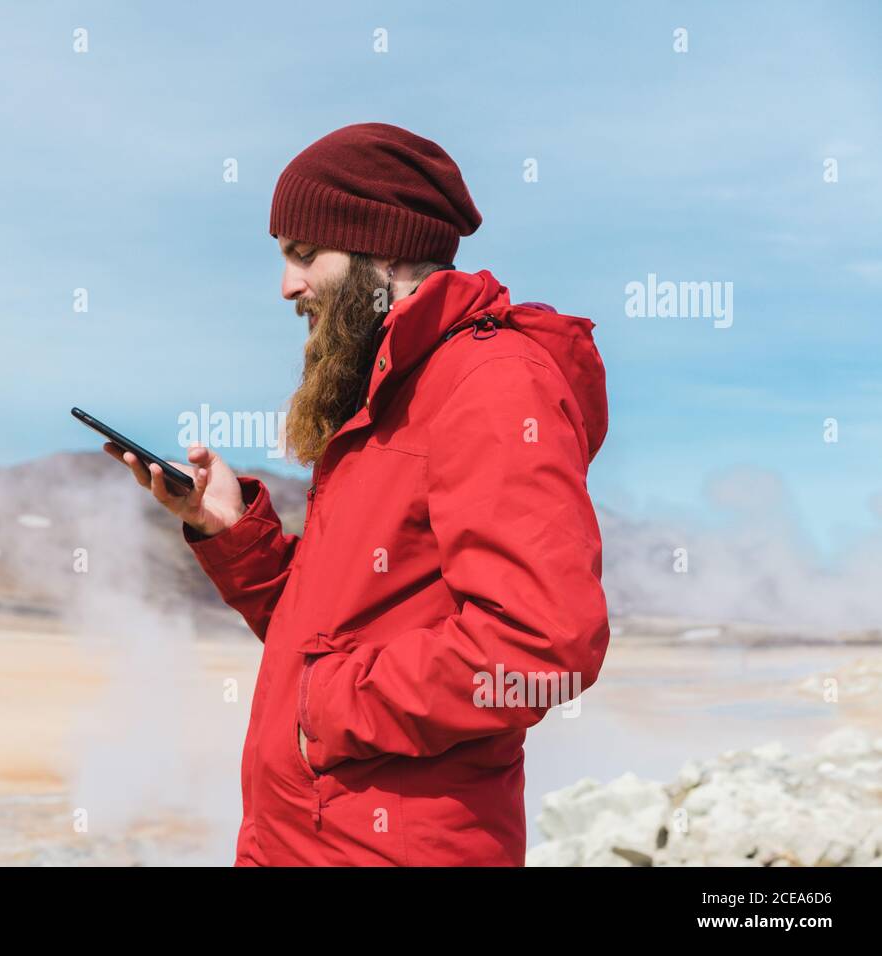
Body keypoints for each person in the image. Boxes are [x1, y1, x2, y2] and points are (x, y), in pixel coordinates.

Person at [105, 123, 611, 866]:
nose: (287, 285)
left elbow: (543, 645)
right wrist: (232, 534)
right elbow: (334, 635)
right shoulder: (385, 396)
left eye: (305, 254)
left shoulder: (491, 383)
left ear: (386, 248)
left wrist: (325, 712)